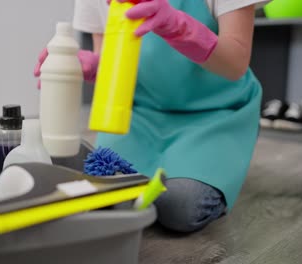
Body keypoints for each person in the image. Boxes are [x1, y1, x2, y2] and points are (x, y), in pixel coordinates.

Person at [35, 0, 269, 232]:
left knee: (180, 205)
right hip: (138, 113)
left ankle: (216, 172)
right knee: (105, 186)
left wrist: (180, 28)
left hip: (216, 114)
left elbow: (236, 63)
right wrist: (96, 66)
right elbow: (110, 57)